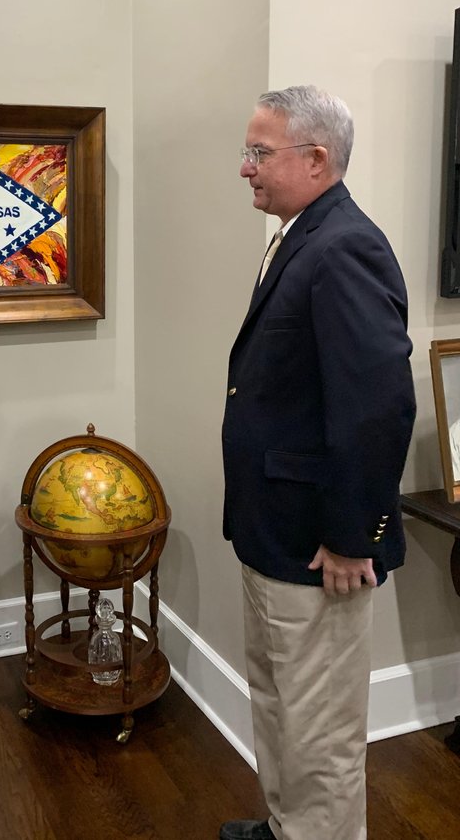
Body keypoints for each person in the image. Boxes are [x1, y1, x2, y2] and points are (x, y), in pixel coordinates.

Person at [219, 86, 416, 840]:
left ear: (317, 159)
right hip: (275, 529)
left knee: (322, 727)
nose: (246, 168)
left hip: (318, 543)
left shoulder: (345, 246)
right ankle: (287, 824)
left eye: (259, 153)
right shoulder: (301, 233)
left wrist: (349, 535)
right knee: (277, 697)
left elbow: (377, 408)